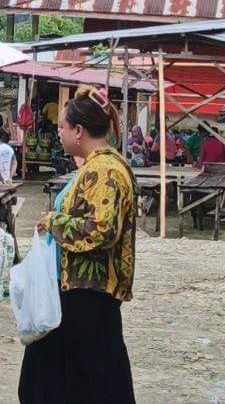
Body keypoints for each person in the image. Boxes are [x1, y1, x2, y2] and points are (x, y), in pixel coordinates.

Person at [20, 87, 137, 404]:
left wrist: (54, 223)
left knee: (88, 384)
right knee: (66, 382)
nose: (58, 132)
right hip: (76, 291)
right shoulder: (99, 165)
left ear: (79, 131)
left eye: (61, 126)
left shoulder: (104, 170)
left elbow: (102, 229)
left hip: (87, 294)